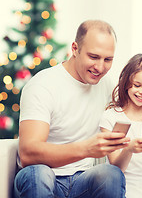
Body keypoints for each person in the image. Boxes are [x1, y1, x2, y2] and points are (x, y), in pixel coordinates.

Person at [14, 20, 130, 198]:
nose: (100, 67)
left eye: (108, 59)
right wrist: (86, 149)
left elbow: (137, 108)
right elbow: (28, 153)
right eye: (93, 57)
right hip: (44, 177)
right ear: (75, 49)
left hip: (82, 180)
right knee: (37, 174)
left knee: (110, 175)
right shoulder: (42, 85)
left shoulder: (106, 85)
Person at [100, 53, 142, 198]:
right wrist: (129, 150)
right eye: (137, 85)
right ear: (126, 83)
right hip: (123, 184)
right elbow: (116, 169)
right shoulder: (111, 117)